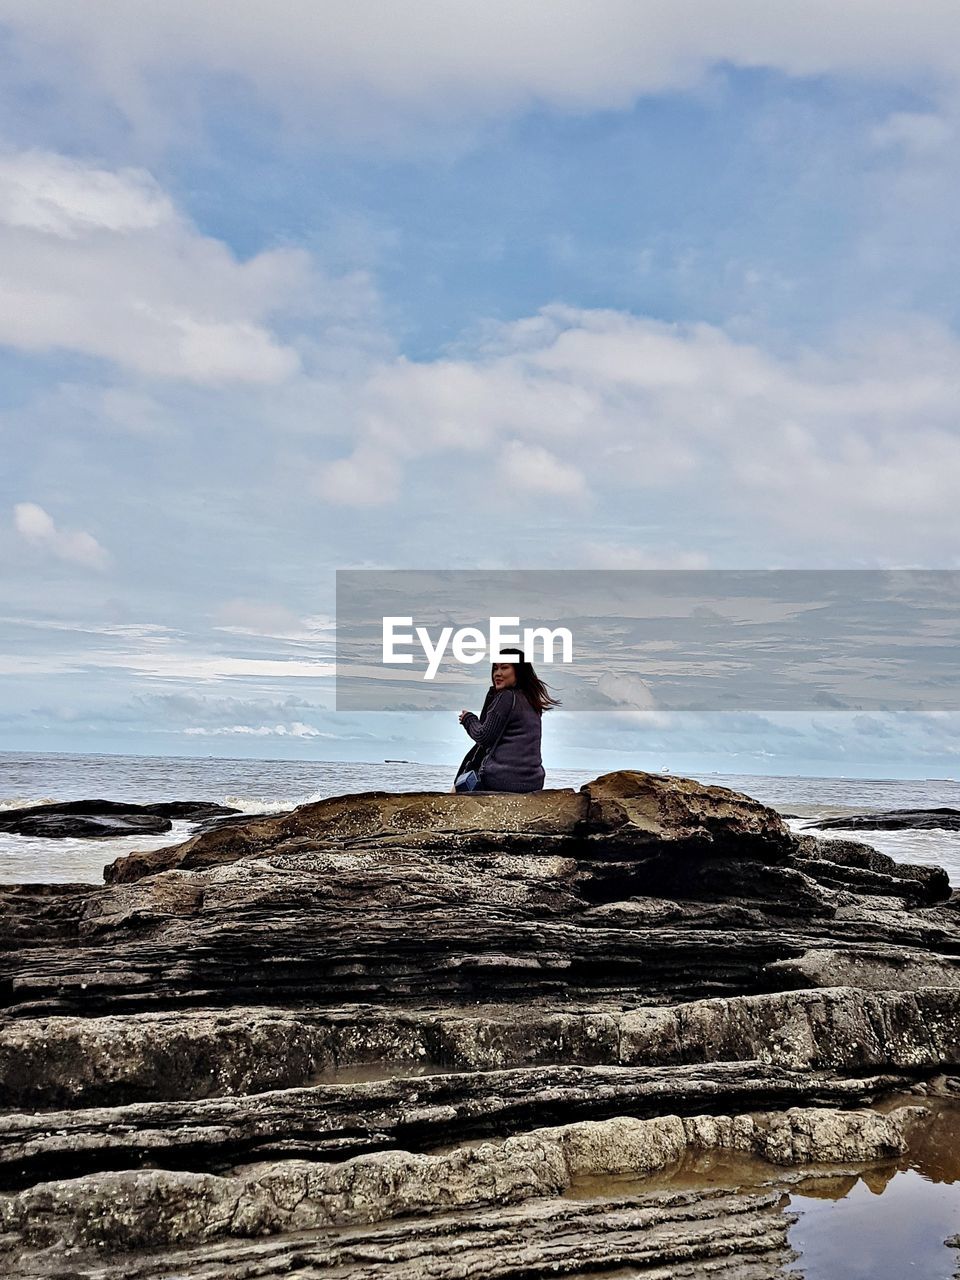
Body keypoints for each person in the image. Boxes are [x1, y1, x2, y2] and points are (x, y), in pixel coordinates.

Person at [455, 647, 560, 792]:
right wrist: (492, 694)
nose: (497, 673)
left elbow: (483, 737)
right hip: (533, 782)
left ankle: (452, 794)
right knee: (475, 756)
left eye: (504, 668)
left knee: (468, 770)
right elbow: (489, 729)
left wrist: (468, 719)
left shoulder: (507, 697)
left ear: (519, 671)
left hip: (502, 780)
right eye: (495, 668)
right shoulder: (532, 700)